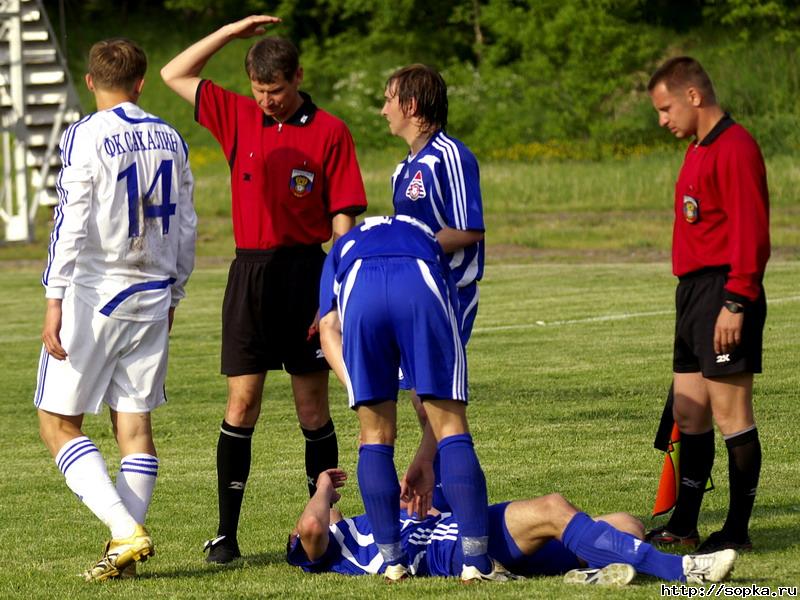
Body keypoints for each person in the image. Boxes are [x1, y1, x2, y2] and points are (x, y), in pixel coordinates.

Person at [160, 15, 368, 564]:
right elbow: (174, 71)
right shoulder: (236, 116)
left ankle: (322, 530)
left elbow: (343, 216)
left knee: (311, 408)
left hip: (306, 274)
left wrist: (338, 291)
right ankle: (226, 534)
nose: (268, 101)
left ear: (298, 77)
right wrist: (231, 33)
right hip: (249, 276)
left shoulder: (330, 131)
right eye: (260, 91)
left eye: (276, 90)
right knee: (242, 402)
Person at [35, 38, 197, 581]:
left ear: (89, 80)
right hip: (152, 292)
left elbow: (71, 222)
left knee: (58, 422)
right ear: (142, 82)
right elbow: (188, 223)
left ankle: (125, 531)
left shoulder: (85, 134)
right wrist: (174, 291)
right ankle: (124, 554)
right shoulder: (171, 136)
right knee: (134, 426)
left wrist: (54, 298)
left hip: (96, 292)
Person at [318, 215, 503, 582]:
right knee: (451, 426)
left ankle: (393, 562)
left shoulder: (341, 247)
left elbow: (328, 328)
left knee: (374, 436)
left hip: (360, 285)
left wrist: (361, 386)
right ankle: (476, 564)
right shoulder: (426, 239)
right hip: (417, 274)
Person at [645, 57, 770, 553]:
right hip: (693, 294)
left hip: (725, 292)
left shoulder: (735, 147)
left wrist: (736, 302)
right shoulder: (696, 149)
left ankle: (737, 530)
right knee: (689, 412)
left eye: (665, 108)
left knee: (730, 414)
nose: (662, 120)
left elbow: (752, 232)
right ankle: (686, 522)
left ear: (693, 96)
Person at [286, 468, 738, 586]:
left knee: (628, 525)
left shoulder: (375, 526)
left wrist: (420, 496)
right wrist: (323, 488)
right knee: (553, 506)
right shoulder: (332, 551)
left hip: (475, 531)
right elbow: (310, 527)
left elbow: (457, 496)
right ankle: (684, 574)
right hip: (459, 550)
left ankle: (586, 575)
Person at [382, 64, 484, 345]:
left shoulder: (450, 156)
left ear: (411, 105)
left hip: (448, 290)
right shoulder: (402, 169)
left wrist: (409, 250)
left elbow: (468, 230)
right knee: (416, 386)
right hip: (413, 287)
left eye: (389, 100)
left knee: (433, 387)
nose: (383, 110)